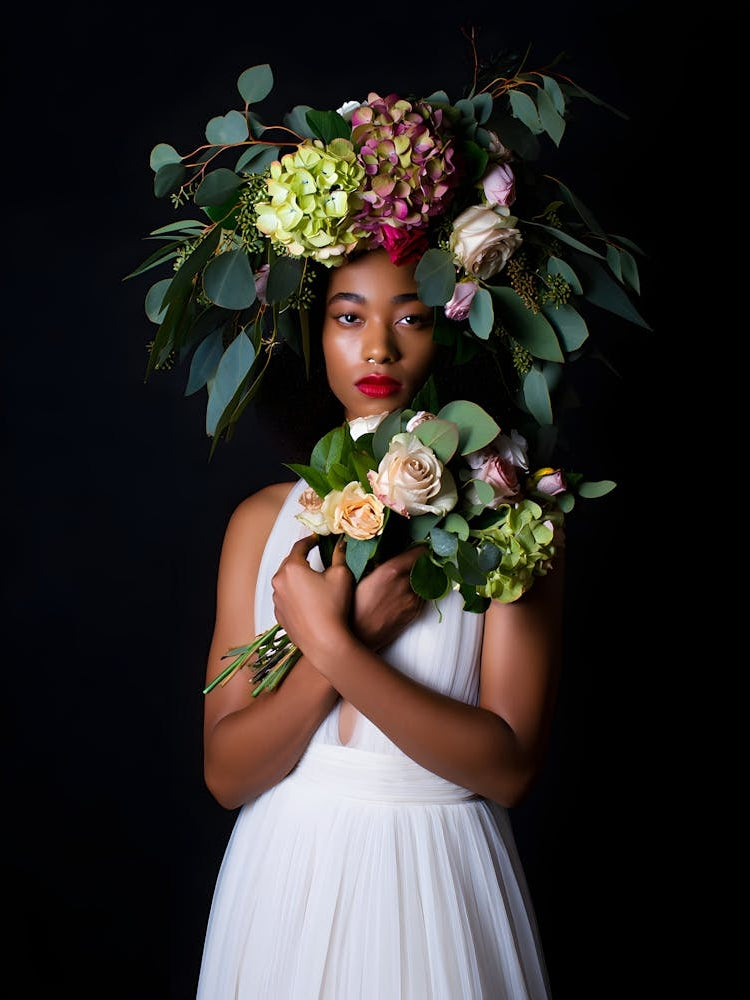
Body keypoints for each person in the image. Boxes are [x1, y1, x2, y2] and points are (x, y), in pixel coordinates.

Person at [196, 246, 564, 998]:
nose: (378, 347)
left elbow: (510, 768)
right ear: (311, 334)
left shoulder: (513, 516)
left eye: (411, 317)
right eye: (348, 316)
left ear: (455, 327)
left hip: (438, 879)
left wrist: (334, 642)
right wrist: (347, 639)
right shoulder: (258, 522)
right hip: (282, 878)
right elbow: (227, 775)